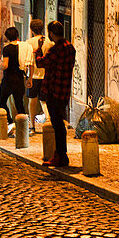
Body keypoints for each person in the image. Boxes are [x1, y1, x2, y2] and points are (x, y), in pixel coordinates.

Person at [34, 21, 75, 167]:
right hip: (64, 91)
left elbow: (40, 63)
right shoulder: (70, 48)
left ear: (51, 33)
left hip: (53, 91)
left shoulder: (55, 50)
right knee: (59, 124)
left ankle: (61, 156)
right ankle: (60, 155)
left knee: (57, 125)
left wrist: (38, 50)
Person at [0, 26, 27, 121]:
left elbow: (5, 65)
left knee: (2, 101)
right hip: (20, 78)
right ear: (17, 35)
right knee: (19, 104)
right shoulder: (22, 48)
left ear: (7, 37)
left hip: (9, 80)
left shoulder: (7, 49)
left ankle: (10, 121)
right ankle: (24, 125)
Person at [25, 18, 47, 133]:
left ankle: (32, 126)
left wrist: (28, 78)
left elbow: (29, 62)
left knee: (32, 102)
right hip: (46, 76)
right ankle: (49, 123)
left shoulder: (29, 43)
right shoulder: (49, 42)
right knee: (44, 101)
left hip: (33, 76)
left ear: (31, 29)